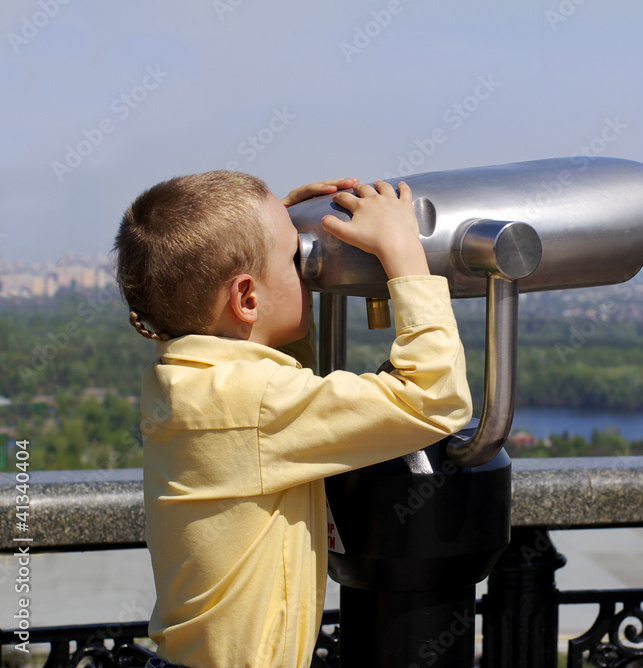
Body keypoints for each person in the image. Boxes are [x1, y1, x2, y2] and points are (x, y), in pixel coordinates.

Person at [113, 171, 473, 667]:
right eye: (294, 258)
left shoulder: (191, 380)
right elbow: (434, 397)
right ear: (246, 298)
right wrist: (404, 254)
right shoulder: (253, 404)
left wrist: (269, 229)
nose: (309, 266)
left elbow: (270, 357)